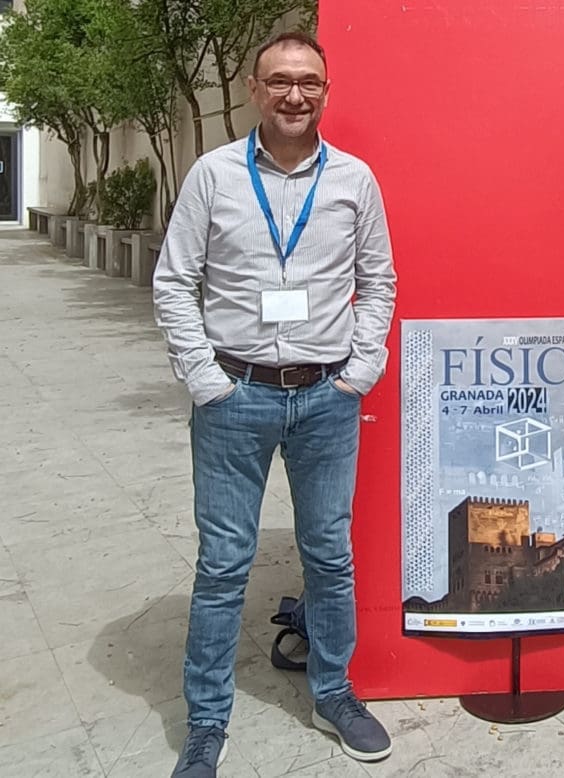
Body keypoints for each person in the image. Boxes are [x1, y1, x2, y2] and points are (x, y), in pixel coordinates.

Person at [153, 31, 397, 778]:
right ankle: (207, 720)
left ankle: (333, 692)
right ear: (254, 89)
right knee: (223, 564)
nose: (295, 95)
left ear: (325, 92)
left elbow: (378, 282)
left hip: (326, 397)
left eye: (309, 82)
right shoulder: (214, 175)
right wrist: (206, 380)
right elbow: (174, 281)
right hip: (235, 396)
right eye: (280, 81)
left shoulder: (354, 179)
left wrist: (360, 370)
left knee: (329, 554)